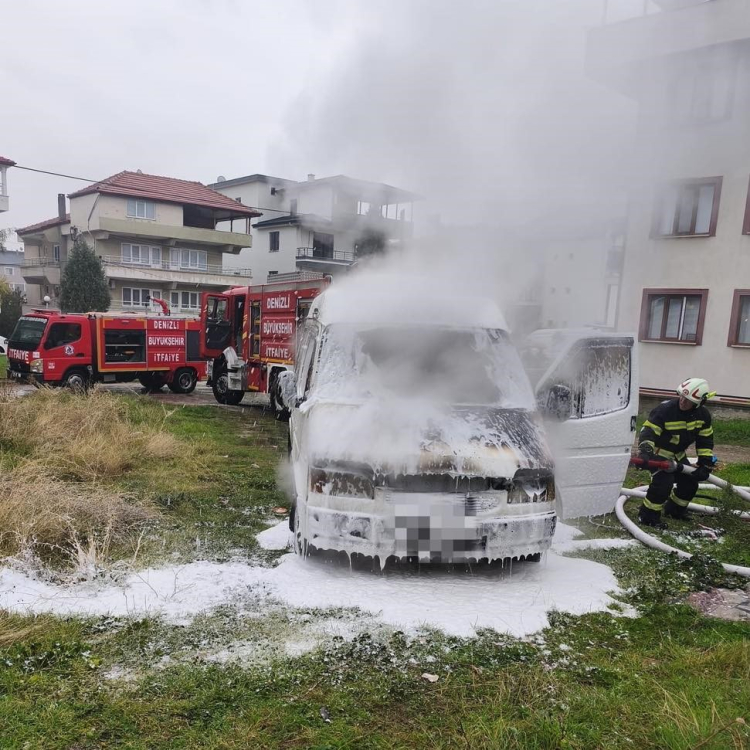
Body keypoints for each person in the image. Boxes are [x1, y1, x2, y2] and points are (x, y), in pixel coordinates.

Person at [637, 378, 717, 528]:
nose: (682, 401)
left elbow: (705, 440)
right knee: (663, 483)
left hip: (678, 456)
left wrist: (705, 463)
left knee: (690, 483)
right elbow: (648, 432)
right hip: (658, 454)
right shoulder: (665, 410)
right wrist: (645, 451)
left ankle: (674, 510)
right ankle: (647, 516)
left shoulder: (703, 416)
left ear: (699, 403)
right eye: (681, 396)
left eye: (688, 400)